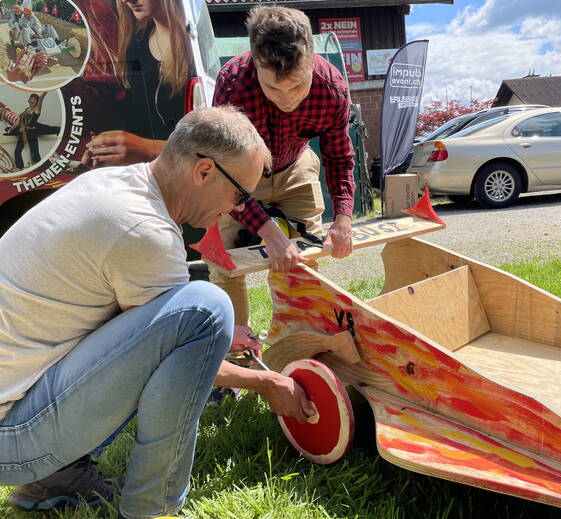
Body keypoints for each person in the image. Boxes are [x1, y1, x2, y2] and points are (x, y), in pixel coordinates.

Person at [0, 106, 316, 518]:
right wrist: (267, 382)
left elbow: (137, 331)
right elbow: (176, 349)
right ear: (204, 171)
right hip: (14, 436)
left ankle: (54, 480)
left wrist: (221, 339)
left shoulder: (113, 185)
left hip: (14, 411)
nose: (238, 209)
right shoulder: (144, 230)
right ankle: (155, 507)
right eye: (240, 195)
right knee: (207, 307)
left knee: (195, 318)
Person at [212, 6, 356, 326]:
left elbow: (339, 157)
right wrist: (268, 232)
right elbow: (226, 174)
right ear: (254, 59)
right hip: (239, 174)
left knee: (303, 258)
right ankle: (239, 353)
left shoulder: (332, 88)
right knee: (225, 265)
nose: (286, 99)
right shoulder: (233, 85)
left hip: (295, 167)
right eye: (273, 88)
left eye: (296, 86)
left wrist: (344, 216)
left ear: (311, 61)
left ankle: (301, 339)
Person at [84, 0, 192, 168]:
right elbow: (135, 124)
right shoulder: (135, 44)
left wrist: (148, 149)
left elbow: (211, 145)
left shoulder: (197, 47)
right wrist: (107, 150)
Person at [5, 92, 59, 169]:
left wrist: (46, 90)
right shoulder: (26, 110)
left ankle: (39, 168)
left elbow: (41, 98)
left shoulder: (36, 109)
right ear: (29, 100)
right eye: (31, 99)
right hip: (23, 132)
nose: (32, 100)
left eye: (34, 99)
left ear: (37, 101)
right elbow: (19, 121)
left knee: (34, 152)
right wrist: (10, 129)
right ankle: (20, 168)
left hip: (31, 133)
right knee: (17, 151)